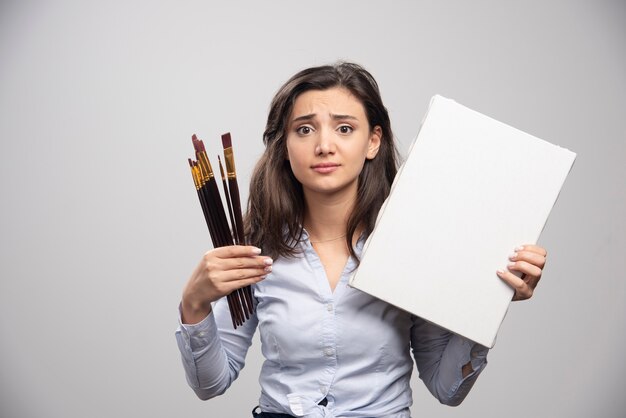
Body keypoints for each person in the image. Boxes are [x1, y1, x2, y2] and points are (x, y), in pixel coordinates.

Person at [175, 62, 547, 418]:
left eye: (344, 129)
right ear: (285, 146)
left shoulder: (412, 246)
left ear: (373, 141)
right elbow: (211, 383)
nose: (324, 145)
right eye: (304, 129)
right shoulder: (257, 250)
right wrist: (194, 303)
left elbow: (446, 388)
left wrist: (492, 300)